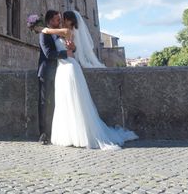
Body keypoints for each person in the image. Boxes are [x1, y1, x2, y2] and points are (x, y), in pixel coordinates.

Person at [42, 10, 138, 150]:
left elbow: (49, 32)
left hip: (69, 68)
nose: (60, 20)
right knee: (66, 102)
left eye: (62, 18)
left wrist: (43, 28)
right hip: (62, 69)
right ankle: (70, 135)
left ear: (69, 21)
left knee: (75, 101)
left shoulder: (66, 31)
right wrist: (70, 47)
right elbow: (69, 47)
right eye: (58, 19)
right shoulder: (62, 32)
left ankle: (80, 135)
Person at [37, 10, 69, 145]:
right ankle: (43, 134)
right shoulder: (44, 34)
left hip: (60, 73)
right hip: (47, 73)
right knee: (44, 103)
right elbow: (49, 53)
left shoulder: (58, 34)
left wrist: (72, 48)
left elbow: (69, 47)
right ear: (50, 21)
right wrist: (65, 54)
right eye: (57, 20)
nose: (59, 22)